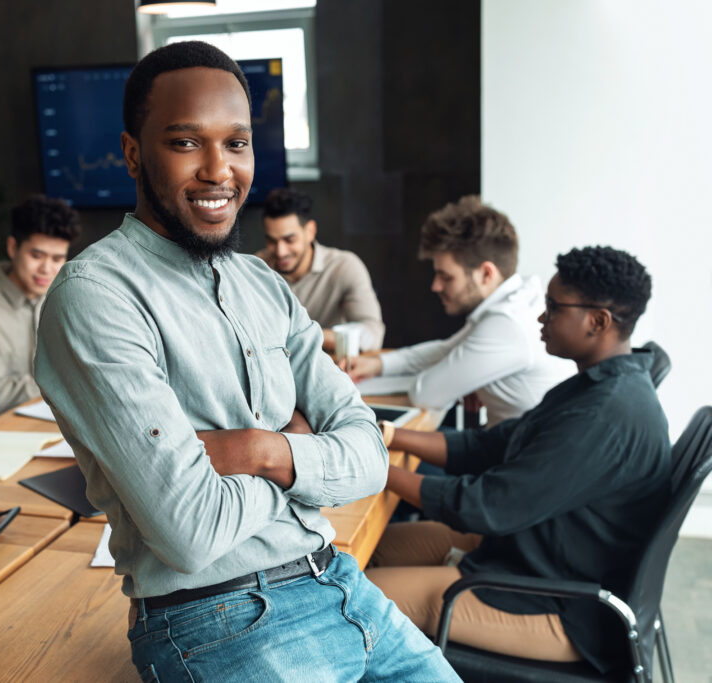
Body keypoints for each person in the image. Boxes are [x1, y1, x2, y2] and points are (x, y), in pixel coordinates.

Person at [35, 41, 457, 681]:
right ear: (131, 154)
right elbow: (190, 531)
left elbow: (370, 459)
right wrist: (307, 460)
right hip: (219, 623)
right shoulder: (96, 296)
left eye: (236, 143)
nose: (218, 169)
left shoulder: (263, 283)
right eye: (185, 143)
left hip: (342, 583)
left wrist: (261, 452)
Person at [365, 246, 671, 675]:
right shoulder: (598, 383)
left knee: (349, 603)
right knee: (367, 552)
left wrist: (372, 469)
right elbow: (494, 445)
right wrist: (388, 435)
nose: (541, 318)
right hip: (530, 555)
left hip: (559, 603)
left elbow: (486, 505)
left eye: (553, 307)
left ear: (597, 321)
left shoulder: (606, 413)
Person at [344, 195, 571, 426]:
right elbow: (446, 350)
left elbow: (426, 394)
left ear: (486, 274)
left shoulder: (507, 323)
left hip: (512, 457)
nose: (435, 286)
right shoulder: (517, 299)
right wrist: (377, 365)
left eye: (446, 277)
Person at [0, 195, 81, 412]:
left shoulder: (63, 300)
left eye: (57, 259)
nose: (47, 269)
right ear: (12, 248)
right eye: (37, 255)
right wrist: (64, 384)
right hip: (0, 430)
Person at [257, 187, 385, 351]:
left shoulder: (344, 267)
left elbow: (373, 335)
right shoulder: (256, 269)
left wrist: (304, 334)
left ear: (310, 231)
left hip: (335, 368)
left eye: (290, 240)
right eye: (272, 241)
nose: (281, 251)